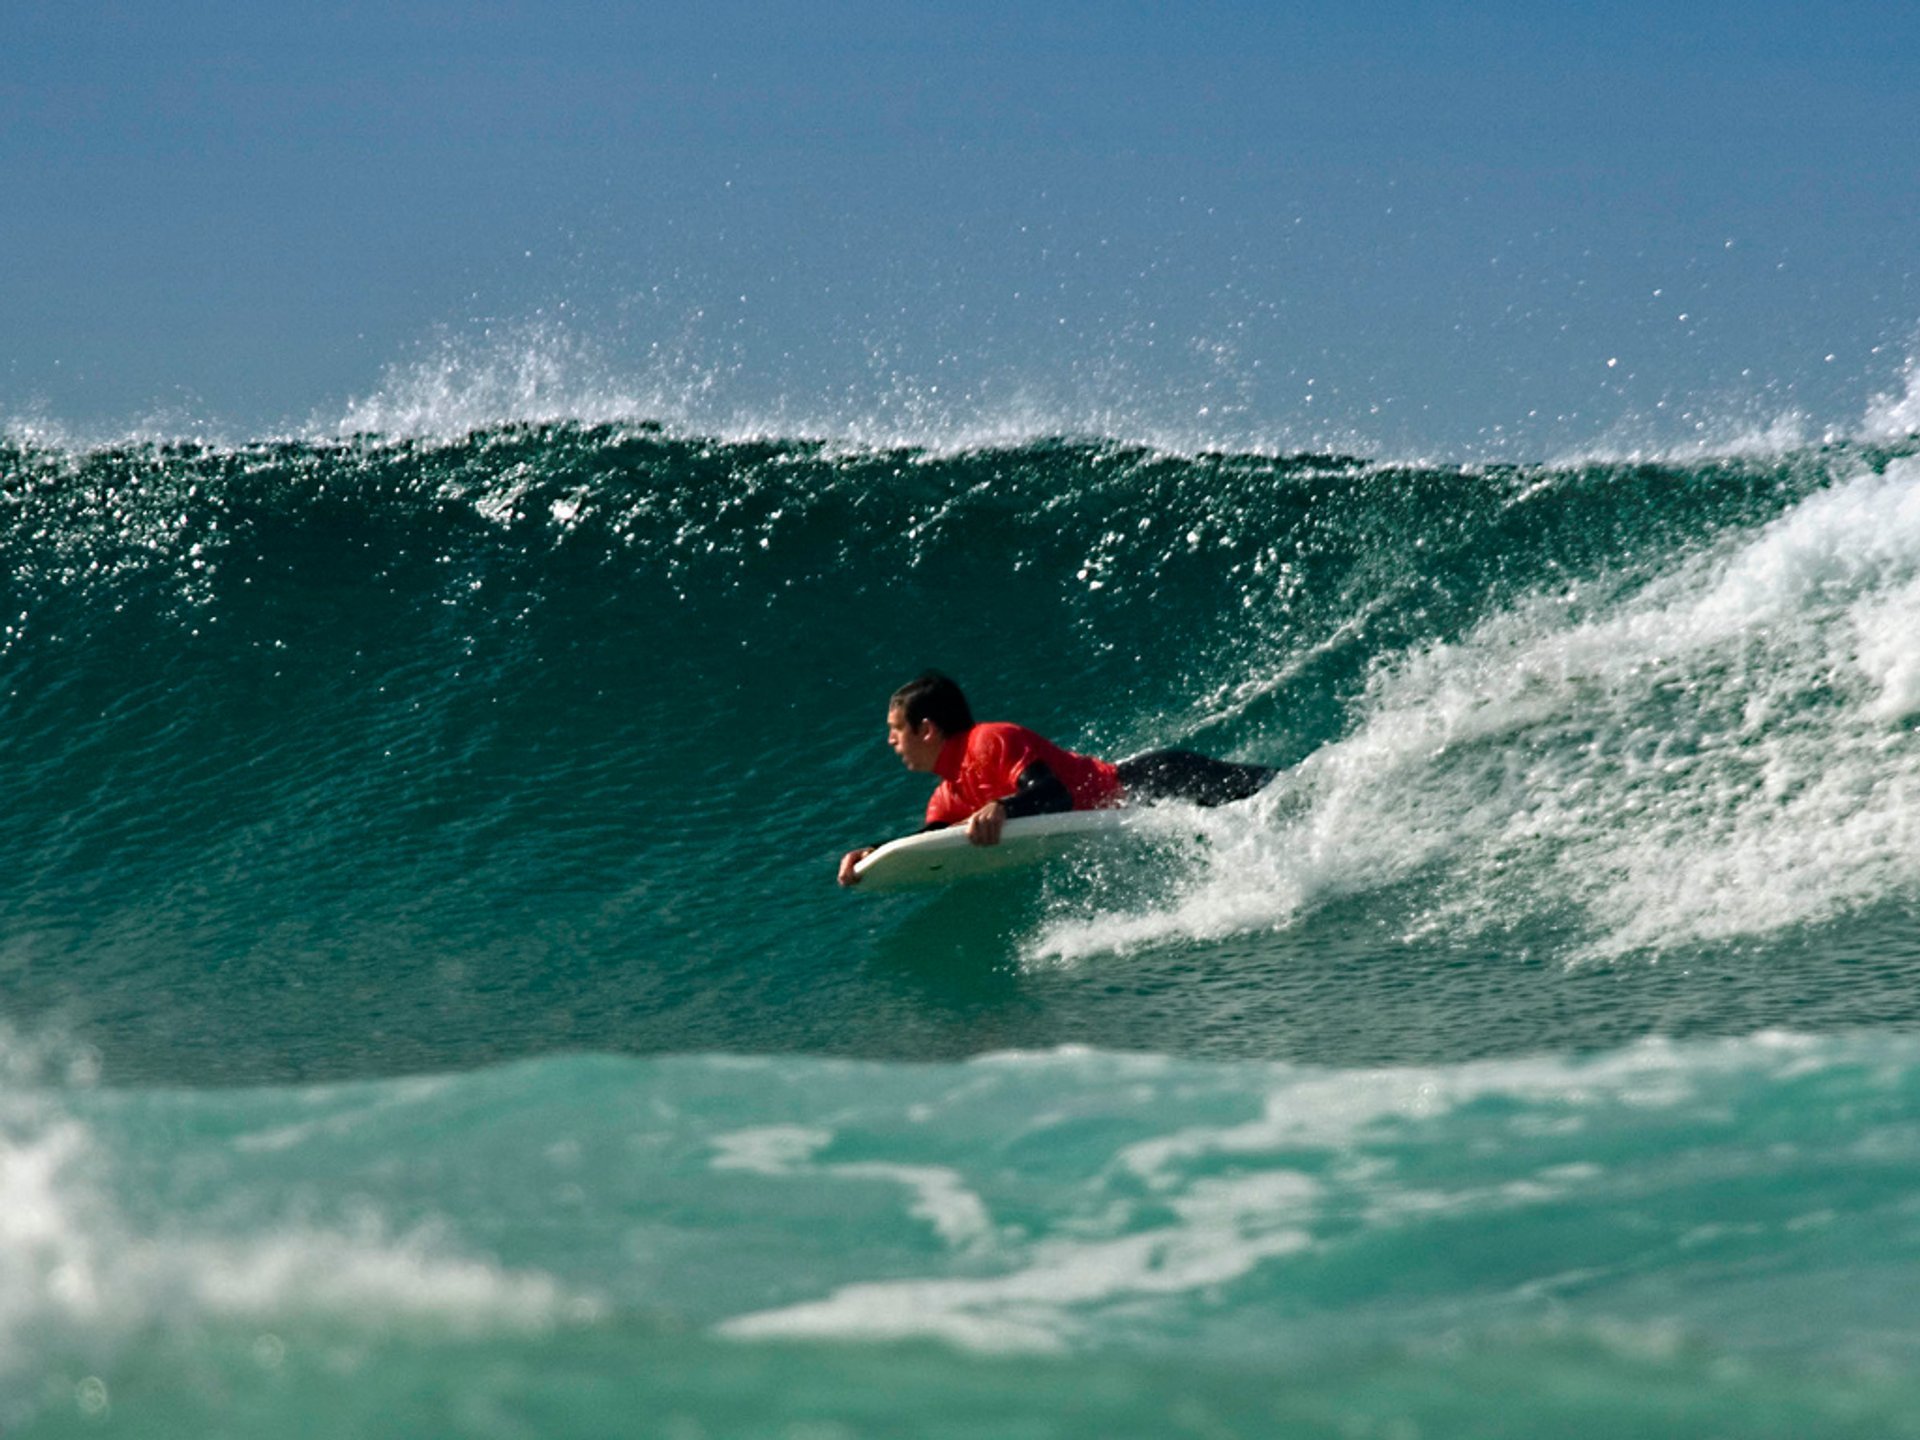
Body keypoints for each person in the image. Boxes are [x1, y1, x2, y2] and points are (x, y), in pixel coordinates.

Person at [837, 670, 1278, 885]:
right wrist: (872, 853)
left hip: (1156, 780)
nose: (892, 742)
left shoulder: (989, 740)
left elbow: (1054, 794)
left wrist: (1002, 808)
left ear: (926, 729)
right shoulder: (947, 796)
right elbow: (929, 840)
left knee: (1280, 791)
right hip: (1133, 808)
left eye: (896, 730)